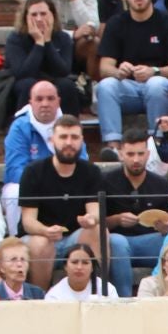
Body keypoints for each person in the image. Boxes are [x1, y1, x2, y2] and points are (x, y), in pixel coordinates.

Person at [19, 114, 119, 290]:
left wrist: (90, 220)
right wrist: (45, 231)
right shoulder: (34, 171)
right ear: (52, 140)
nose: (69, 142)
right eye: (63, 137)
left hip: (75, 237)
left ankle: (97, 292)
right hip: (41, 237)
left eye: (74, 137)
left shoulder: (91, 171)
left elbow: (94, 211)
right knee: (40, 243)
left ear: (82, 140)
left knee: (98, 230)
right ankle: (39, 298)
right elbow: (28, 221)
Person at [95, 0, 168, 149]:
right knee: (106, 86)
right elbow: (104, 67)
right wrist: (118, 72)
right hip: (129, 87)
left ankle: (157, 144)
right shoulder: (116, 24)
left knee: (156, 84)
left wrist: (154, 71)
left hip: (161, 87)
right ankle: (113, 146)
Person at [101, 125, 168, 271]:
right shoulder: (105, 182)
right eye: (130, 154)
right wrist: (117, 219)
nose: (136, 160)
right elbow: (97, 222)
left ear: (148, 154)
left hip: (151, 240)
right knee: (116, 242)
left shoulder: (162, 185)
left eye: (141, 154)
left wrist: (167, 227)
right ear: (121, 154)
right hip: (118, 240)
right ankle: (124, 294)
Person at [5, 0, 83, 112]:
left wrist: (47, 41)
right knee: (28, 84)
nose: (39, 19)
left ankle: (69, 125)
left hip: (54, 79)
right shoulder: (16, 38)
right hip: (24, 82)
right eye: (34, 14)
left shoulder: (63, 38)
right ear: (26, 17)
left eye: (43, 14)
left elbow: (63, 71)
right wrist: (38, 43)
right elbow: (22, 73)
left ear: (52, 15)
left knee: (66, 85)